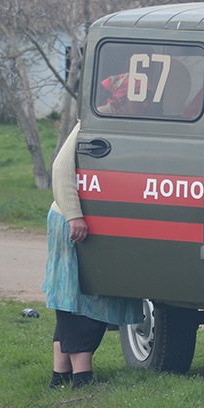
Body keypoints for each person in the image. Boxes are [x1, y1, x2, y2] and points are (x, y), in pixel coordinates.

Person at [42, 122, 142, 388]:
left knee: (71, 299)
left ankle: (59, 375)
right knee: (82, 300)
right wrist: (75, 216)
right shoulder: (91, 123)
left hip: (83, 221)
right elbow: (61, 170)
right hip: (74, 221)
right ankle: (82, 378)